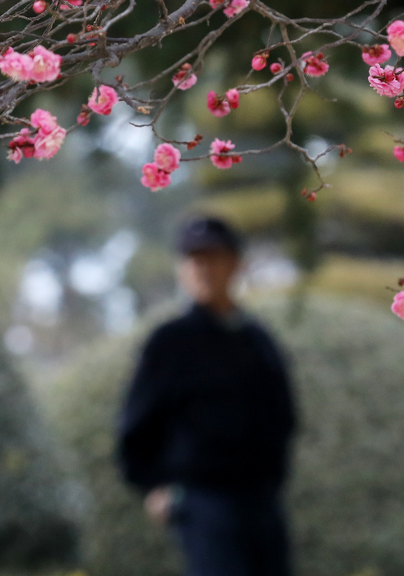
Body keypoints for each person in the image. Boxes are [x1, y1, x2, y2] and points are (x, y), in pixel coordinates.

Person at [115, 216, 297, 576]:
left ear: (235, 264)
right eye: (194, 260)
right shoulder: (169, 341)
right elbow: (137, 422)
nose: (203, 269)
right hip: (202, 500)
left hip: (261, 500)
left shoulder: (257, 340)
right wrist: (153, 485)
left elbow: (283, 416)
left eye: (212, 258)